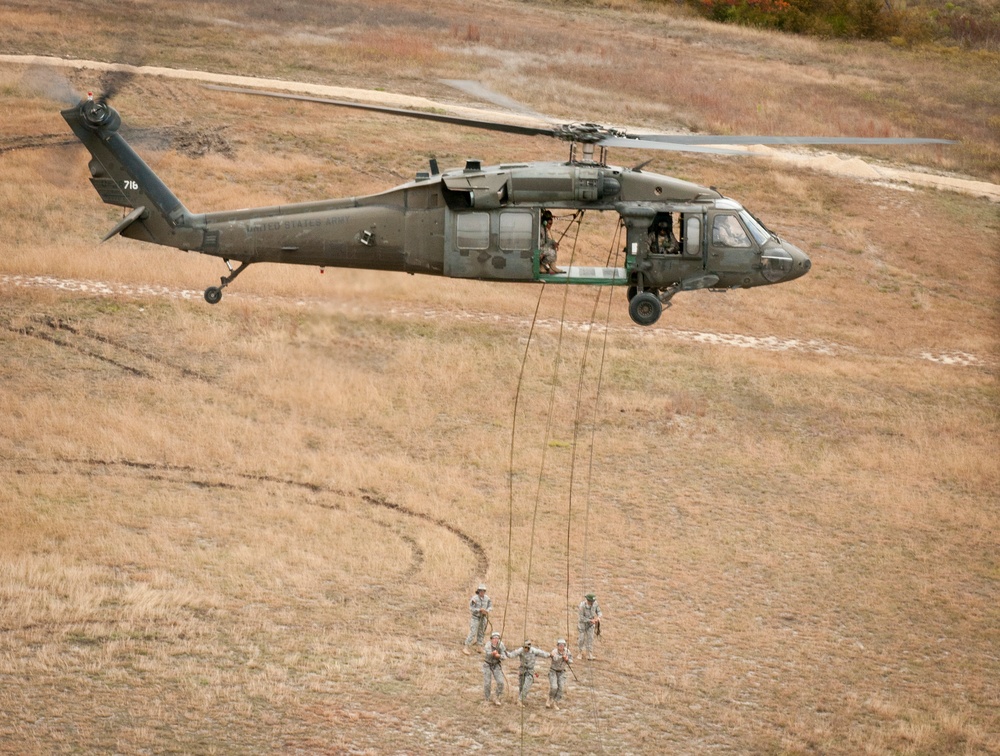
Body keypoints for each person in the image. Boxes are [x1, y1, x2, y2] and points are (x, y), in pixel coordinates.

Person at [507, 639, 549, 707]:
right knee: (521, 686)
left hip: (530, 671)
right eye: (524, 647)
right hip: (522, 670)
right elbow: (511, 655)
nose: (525, 649)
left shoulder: (534, 651)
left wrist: (550, 655)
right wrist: (504, 652)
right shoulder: (520, 650)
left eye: (526, 647)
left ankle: (520, 700)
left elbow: (543, 654)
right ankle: (521, 699)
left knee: (526, 685)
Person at [463, 584, 492, 655]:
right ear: (478, 591)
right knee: (473, 632)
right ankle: (466, 647)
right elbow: (471, 608)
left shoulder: (487, 598)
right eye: (480, 591)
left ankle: (479, 647)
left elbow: (490, 606)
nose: (482, 592)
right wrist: (479, 610)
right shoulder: (474, 599)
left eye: (483, 591)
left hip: (483, 618)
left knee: (481, 632)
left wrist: (487, 611)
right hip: (475, 618)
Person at [546, 638, 573, 709]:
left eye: (563, 645)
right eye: (560, 645)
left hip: (562, 672)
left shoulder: (567, 651)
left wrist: (567, 659)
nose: (561, 647)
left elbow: (571, 661)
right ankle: (550, 698)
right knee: (554, 687)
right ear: (557, 646)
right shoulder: (554, 651)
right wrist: (562, 657)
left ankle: (555, 702)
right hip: (553, 671)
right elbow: (555, 659)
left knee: (561, 688)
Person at [482, 631, 508, 705]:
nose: (495, 640)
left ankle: (496, 697)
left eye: (497, 638)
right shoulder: (488, 645)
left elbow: (504, 656)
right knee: (487, 683)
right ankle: (487, 699)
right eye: (494, 638)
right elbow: (488, 653)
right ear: (491, 639)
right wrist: (493, 653)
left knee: (501, 682)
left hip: (496, 665)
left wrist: (499, 656)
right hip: (487, 665)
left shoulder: (501, 645)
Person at [577, 593, 602, 660]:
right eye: (591, 601)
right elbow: (581, 617)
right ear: (588, 600)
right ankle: (580, 653)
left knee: (590, 639)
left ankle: (590, 654)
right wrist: (590, 620)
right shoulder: (582, 606)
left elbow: (599, 611)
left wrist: (598, 617)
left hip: (591, 625)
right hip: (582, 624)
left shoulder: (595, 604)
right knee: (581, 639)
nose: (592, 602)